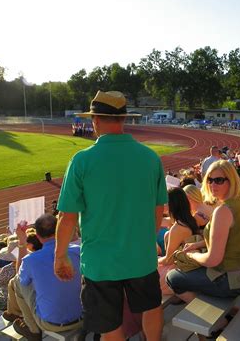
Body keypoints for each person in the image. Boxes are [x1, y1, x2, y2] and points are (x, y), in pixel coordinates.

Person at [54, 90, 167, 341]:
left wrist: (61, 255)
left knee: (109, 323)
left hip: (100, 262)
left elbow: (67, 216)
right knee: (151, 306)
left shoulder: (82, 161)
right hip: (141, 256)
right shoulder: (150, 158)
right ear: (124, 119)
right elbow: (158, 209)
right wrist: (146, 241)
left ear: (95, 120)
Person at [166, 160, 240, 303]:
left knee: (172, 278)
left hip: (232, 281)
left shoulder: (223, 211)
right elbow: (230, 238)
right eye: (209, 180)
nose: (212, 185)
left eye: (219, 180)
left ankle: (212, 316)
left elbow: (212, 260)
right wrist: (197, 245)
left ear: (231, 180)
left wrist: (192, 255)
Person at [4, 214, 82, 340]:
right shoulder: (78, 251)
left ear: (38, 237)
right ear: (58, 231)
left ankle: (33, 330)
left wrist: (22, 242)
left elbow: (20, 278)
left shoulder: (30, 260)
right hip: (82, 317)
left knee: (17, 281)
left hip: (52, 324)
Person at [158, 187, 200, 295]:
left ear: (172, 204)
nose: (162, 204)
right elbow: (161, 221)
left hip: (180, 268)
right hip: (188, 265)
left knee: (147, 275)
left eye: (165, 201)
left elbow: (168, 260)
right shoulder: (189, 219)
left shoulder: (177, 228)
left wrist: (154, 261)